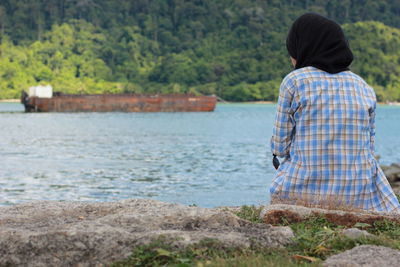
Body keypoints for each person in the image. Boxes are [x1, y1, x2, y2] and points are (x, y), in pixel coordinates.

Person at [270, 13, 400, 212]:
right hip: (359, 195)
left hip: (302, 193)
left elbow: (280, 147)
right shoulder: (363, 86)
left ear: (303, 48)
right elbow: (369, 149)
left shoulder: (294, 81)